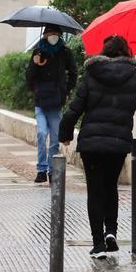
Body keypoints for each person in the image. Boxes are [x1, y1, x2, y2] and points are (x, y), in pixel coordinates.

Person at [60, 35, 136, 258]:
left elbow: (74, 109)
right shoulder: (135, 77)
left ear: (104, 52)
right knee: (110, 187)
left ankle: (98, 243)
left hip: (91, 144)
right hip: (117, 144)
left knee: (95, 190)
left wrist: (65, 134)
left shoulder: (91, 75)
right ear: (126, 53)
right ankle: (111, 232)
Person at [26, 24, 78, 183]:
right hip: (41, 102)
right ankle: (41, 169)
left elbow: (73, 72)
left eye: (56, 33)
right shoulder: (38, 52)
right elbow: (29, 78)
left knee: (55, 139)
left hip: (56, 101)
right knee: (42, 134)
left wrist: (66, 90)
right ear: (45, 35)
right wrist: (35, 64)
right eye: (50, 33)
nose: (53, 36)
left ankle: (51, 170)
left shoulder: (65, 52)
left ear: (60, 35)